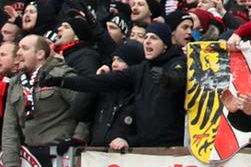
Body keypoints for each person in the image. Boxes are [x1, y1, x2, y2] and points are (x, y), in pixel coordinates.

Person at [45, 21, 185, 151]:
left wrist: (166, 80)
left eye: (154, 38)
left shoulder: (178, 62)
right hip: (144, 148)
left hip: (172, 148)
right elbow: (96, 82)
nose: (147, 41)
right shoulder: (139, 70)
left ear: (165, 44)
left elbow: (178, 80)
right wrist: (62, 82)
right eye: (146, 37)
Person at [2, 35, 87, 167]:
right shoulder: (15, 83)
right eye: (18, 48)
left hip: (62, 154)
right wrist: (10, 164)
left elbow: (85, 106)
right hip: (30, 156)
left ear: (40, 54)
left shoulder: (60, 75)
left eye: (24, 48)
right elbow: (9, 129)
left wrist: (77, 138)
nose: (18, 53)